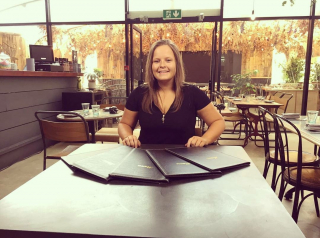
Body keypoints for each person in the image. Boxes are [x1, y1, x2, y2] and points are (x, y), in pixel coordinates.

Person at [118, 39, 225, 148]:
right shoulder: (139, 93)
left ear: (176, 64)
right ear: (151, 65)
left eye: (168, 60)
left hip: (184, 160)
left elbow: (218, 122)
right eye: (156, 61)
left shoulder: (193, 93)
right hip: (147, 159)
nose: (162, 65)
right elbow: (124, 124)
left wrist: (204, 139)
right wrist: (128, 137)